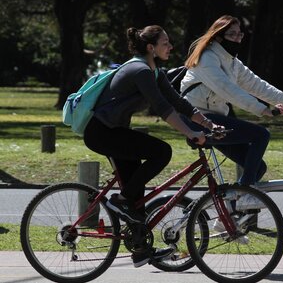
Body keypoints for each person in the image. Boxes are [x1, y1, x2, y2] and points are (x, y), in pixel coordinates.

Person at [83, 25, 220, 267]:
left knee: (136, 198)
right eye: (165, 43)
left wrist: (208, 124)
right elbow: (162, 108)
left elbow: (177, 101)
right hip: (102, 133)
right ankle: (121, 201)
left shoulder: (154, 71)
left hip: (114, 132)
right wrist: (190, 132)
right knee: (161, 152)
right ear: (151, 47)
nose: (170, 47)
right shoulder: (140, 70)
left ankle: (140, 250)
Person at [181, 15, 283, 196]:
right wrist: (263, 110)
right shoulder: (207, 59)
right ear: (218, 37)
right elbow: (228, 90)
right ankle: (245, 196)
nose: (237, 38)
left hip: (214, 121)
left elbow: (257, 85)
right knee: (260, 135)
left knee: (257, 168)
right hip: (196, 119)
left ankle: (229, 213)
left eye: (240, 34)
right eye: (232, 34)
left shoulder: (233, 62)